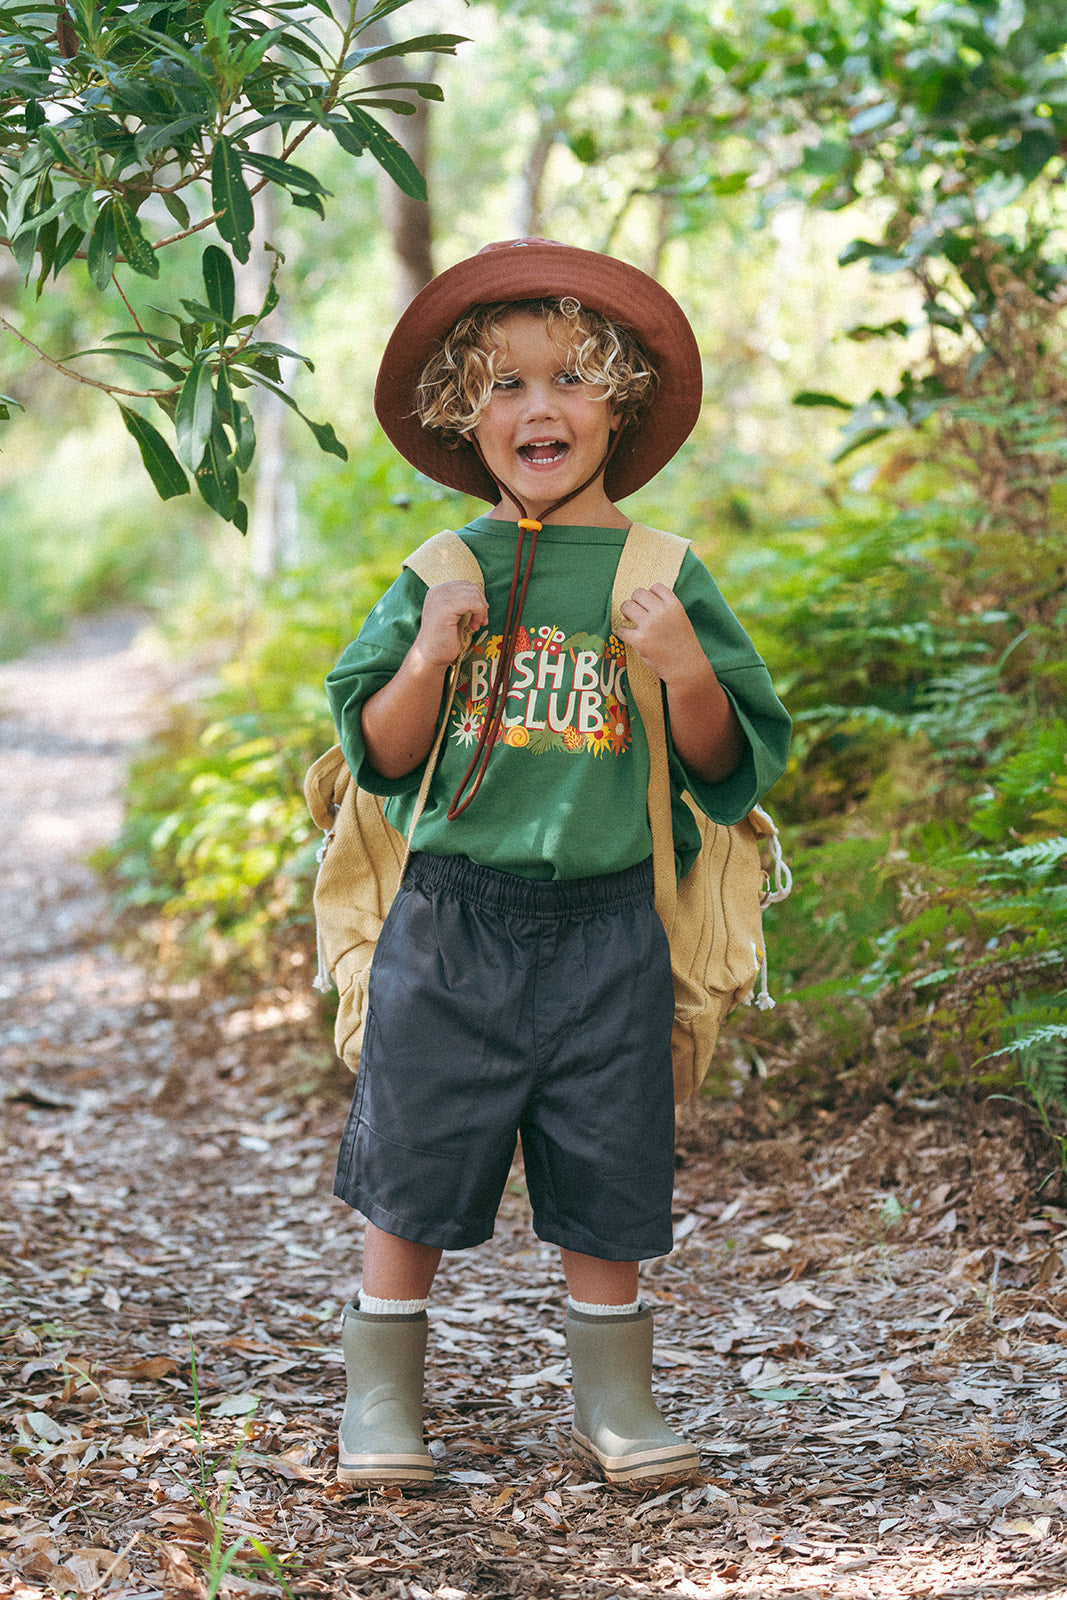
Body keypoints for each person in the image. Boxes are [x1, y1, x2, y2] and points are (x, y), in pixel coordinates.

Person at [324, 239, 791, 1491]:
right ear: (459, 418)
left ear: (620, 404)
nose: (541, 408)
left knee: (609, 1154)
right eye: (504, 386)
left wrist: (684, 664)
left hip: (607, 918)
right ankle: (380, 1406)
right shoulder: (443, 569)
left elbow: (719, 764)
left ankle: (617, 1408)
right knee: (411, 1159)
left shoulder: (660, 573)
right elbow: (376, 753)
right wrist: (426, 655)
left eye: (574, 380)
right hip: (450, 914)